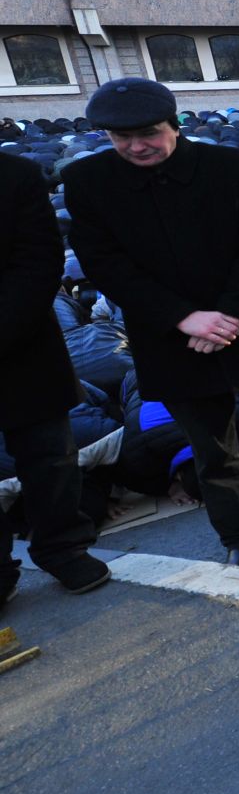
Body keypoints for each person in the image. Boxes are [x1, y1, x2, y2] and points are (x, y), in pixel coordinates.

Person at [64, 79, 239, 568]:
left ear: (174, 124)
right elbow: (105, 263)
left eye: (147, 133)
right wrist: (184, 318)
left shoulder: (228, 166)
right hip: (172, 339)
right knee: (211, 451)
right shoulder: (88, 180)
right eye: (120, 137)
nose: (135, 146)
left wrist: (230, 316)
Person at [1, 151, 110, 603]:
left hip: (20, 343)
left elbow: (40, 262)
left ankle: (63, 548)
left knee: (52, 458)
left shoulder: (17, 177)